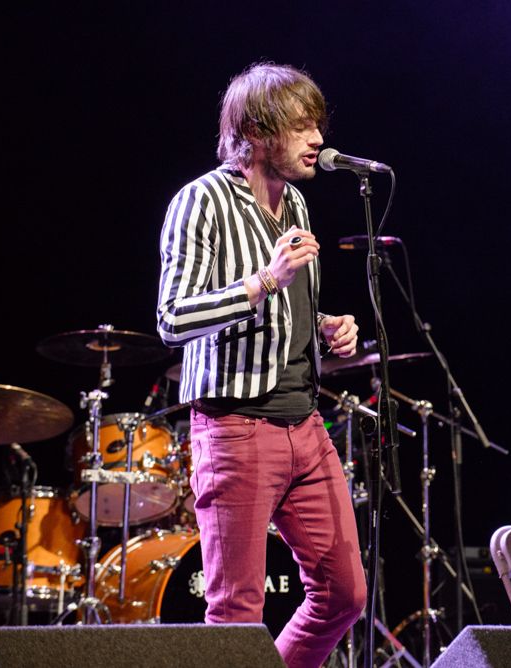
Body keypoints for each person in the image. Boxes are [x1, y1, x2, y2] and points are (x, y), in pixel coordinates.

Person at [157, 62, 366, 667]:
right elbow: (172, 318)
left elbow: (289, 308)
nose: (317, 138)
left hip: (307, 424)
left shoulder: (297, 200)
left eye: (317, 124)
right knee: (234, 614)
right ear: (255, 131)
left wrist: (326, 328)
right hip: (235, 427)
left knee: (345, 594)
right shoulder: (200, 202)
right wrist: (267, 280)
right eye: (301, 125)